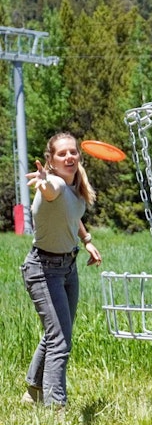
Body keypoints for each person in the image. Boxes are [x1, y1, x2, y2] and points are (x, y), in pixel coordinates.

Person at [20, 132, 102, 408]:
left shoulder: (74, 187)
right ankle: (56, 408)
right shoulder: (53, 183)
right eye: (62, 153)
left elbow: (73, 216)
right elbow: (51, 191)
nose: (69, 156)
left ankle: (33, 391)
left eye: (73, 152)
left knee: (57, 334)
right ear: (51, 161)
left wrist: (87, 240)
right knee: (60, 342)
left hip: (68, 267)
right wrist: (43, 183)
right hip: (43, 269)